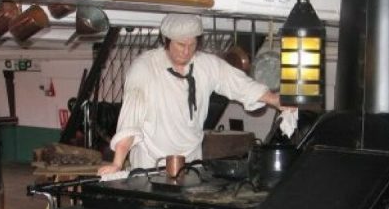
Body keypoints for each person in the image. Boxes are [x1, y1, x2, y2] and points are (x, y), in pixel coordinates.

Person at [98, 14, 283, 174]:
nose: (187, 51)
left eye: (192, 44)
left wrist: (275, 100)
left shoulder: (206, 65)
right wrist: (117, 162)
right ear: (166, 40)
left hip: (192, 163)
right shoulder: (145, 68)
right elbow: (131, 117)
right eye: (180, 44)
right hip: (151, 165)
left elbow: (239, 84)